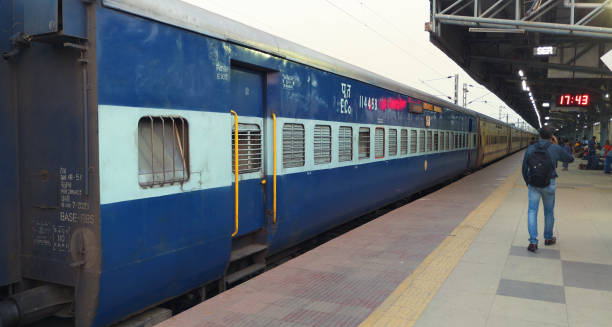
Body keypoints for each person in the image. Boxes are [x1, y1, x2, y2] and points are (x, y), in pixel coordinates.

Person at [522, 126, 574, 252]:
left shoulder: (530, 148)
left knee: (532, 211)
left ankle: (533, 242)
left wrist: (528, 183)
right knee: (549, 212)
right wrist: (557, 145)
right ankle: (548, 238)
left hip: (534, 184)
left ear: (539, 135)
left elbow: (524, 168)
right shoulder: (555, 148)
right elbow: (570, 159)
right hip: (549, 184)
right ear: (552, 137)